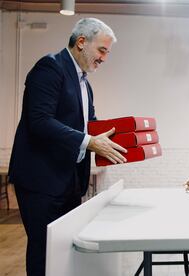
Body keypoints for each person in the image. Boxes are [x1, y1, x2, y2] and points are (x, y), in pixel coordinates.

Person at [8, 18, 127, 276]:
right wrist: (89, 141)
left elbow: (89, 125)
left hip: (70, 180)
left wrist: (113, 137)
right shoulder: (50, 67)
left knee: (63, 253)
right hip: (41, 180)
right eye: (102, 50)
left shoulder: (85, 83)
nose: (104, 58)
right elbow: (39, 121)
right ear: (81, 42)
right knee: (44, 252)